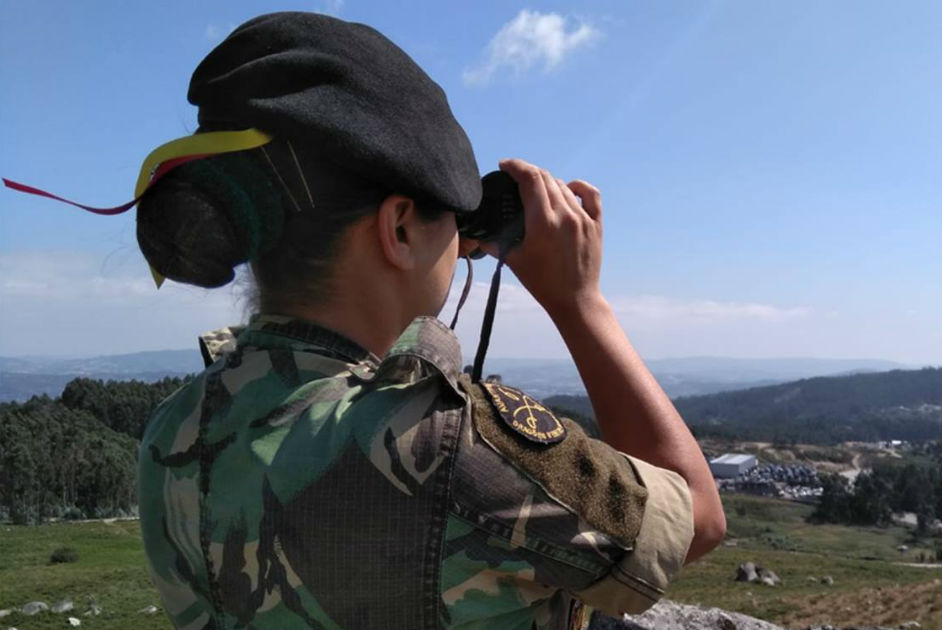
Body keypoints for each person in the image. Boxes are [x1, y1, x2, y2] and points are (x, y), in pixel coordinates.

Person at [135, 11, 725, 630]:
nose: (461, 242)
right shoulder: (452, 446)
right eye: (450, 217)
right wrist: (580, 303)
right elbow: (698, 519)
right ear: (398, 229)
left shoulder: (176, 429)